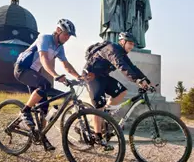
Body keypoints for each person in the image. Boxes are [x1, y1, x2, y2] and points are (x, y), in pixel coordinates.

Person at [14, 19, 83, 151]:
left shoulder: (59, 47)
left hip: (33, 72)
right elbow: (44, 59)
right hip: (22, 68)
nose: (67, 38)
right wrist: (56, 75)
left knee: (43, 109)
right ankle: (25, 111)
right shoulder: (44, 38)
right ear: (58, 31)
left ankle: (42, 136)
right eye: (66, 34)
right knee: (45, 85)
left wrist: (78, 77)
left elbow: (66, 65)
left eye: (69, 36)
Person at [82, 31, 152, 148]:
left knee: (122, 92)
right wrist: (137, 81)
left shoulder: (122, 53)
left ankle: (106, 113)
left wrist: (146, 80)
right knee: (99, 106)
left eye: (133, 44)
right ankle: (97, 135)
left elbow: (132, 67)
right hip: (92, 76)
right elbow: (121, 66)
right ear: (122, 42)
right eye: (129, 43)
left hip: (103, 76)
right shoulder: (112, 49)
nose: (131, 46)